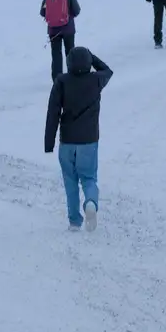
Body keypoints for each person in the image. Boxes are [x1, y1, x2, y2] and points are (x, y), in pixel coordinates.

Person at [45, 46, 113, 232]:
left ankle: (74, 221)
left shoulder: (62, 81)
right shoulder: (96, 80)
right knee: (89, 178)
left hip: (67, 142)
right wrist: (92, 57)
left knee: (70, 180)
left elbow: (53, 113)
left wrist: (49, 142)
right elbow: (108, 70)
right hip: (89, 141)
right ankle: (91, 202)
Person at [40, 0, 81, 81]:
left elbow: (42, 12)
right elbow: (77, 11)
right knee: (70, 53)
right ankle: (72, 77)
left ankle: (57, 80)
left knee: (56, 55)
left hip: (53, 31)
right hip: (68, 30)